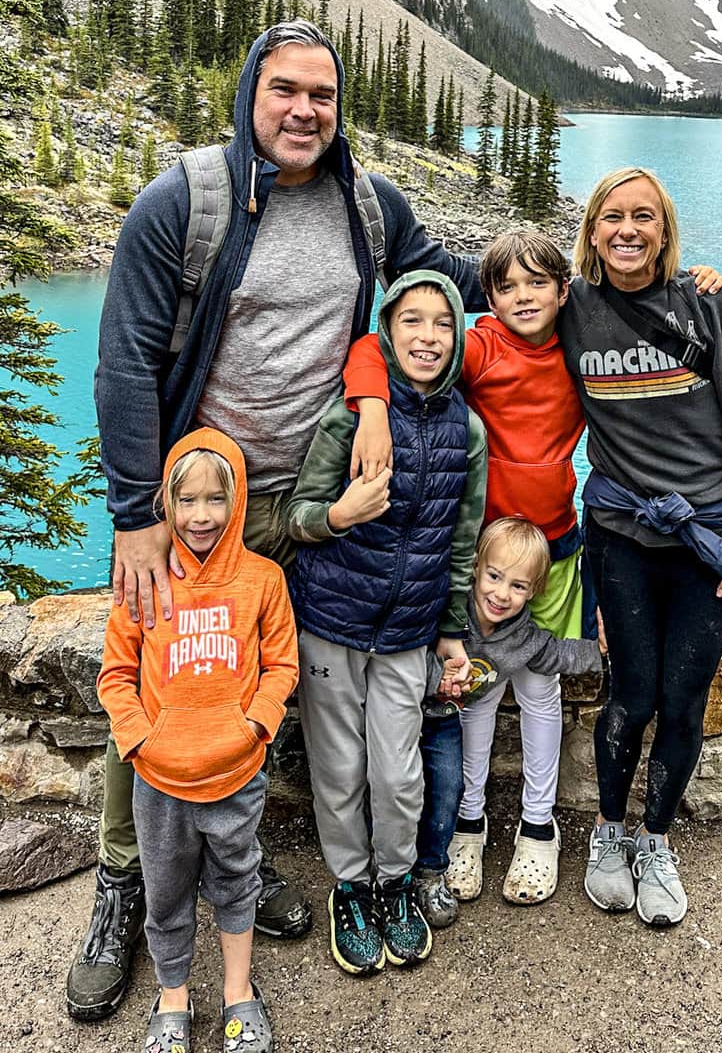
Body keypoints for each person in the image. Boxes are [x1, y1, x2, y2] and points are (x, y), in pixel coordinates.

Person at [67, 19, 483, 1023]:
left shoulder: (367, 205)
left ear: (341, 108)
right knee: (159, 681)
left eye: (324, 95)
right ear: (253, 92)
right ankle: (123, 883)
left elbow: (448, 288)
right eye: (285, 90)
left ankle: (235, 866)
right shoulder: (187, 200)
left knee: (267, 681)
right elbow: (124, 358)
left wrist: (590, 280)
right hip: (201, 496)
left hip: (309, 505)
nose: (305, 110)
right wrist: (137, 516)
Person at [343, 228, 722, 911]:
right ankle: (470, 818)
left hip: (555, 548)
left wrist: (698, 284)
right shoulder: (482, 345)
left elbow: (651, 321)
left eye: (537, 283)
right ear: (486, 296)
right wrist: (372, 406)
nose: (523, 296)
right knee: (481, 687)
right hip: (484, 556)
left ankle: (539, 824)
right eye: (505, 286)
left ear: (562, 290)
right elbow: (382, 349)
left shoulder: (582, 339)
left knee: (542, 688)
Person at [563, 166, 722, 927]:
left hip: (706, 541)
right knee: (633, 693)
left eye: (643, 217)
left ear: (664, 228)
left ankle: (656, 841)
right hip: (621, 538)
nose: (627, 229)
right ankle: (607, 832)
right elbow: (486, 301)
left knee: (684, 701)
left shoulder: (709, 305)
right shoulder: (574, 308)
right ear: (592, 229)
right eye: (612, 216)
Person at [286, 270, 487, 977]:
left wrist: (452, 629)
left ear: (457, 335)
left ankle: (396, 882)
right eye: (412, 321)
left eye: (442, 323)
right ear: (387, 331)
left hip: (408, 631)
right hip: (331, 623)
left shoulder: (468, 429)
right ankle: (351, 885)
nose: (428, 336)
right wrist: (340, 514)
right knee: (338, 768)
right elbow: (301, 516)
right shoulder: (349, 419)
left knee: (399, 775)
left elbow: (462, 540)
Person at [97, 429, 298, 1053]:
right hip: (158, 781)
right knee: (166, 894)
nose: (202, 515)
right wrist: (139, 739)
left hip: (236, 775)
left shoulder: (262, 581)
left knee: (238, 884)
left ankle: (239, 992)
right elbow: (115, 673)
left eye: (216, 499)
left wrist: (255, 725)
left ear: (237, 501)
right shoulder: (145, 578)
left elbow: (282, 666)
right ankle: (174, 998)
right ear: (166, 502)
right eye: (187, 501)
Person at [442, 517, 603, 906]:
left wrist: (602, 650)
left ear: (534, 591)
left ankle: (537, 822)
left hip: (552, 519)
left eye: (517, 587)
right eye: (494, 577)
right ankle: (468, 818)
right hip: (458, 702)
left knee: (537, 695)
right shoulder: (451, 615)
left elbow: (559, 655)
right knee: (470, 726)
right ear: (476, 569)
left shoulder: (525, 636)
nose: (501, 594)